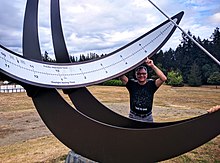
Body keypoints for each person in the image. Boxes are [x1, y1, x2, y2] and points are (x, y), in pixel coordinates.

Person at [119, 57, 167, 122]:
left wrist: (152, 66)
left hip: (148, 118)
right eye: (139, 74)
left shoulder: (152, 84)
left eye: (144, 73)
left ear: (147, 75)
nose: (141, 75)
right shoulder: (131, 84)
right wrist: (130, 64)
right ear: (136, 75)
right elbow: (120, 75)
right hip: (133, 117)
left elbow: (163, 78)